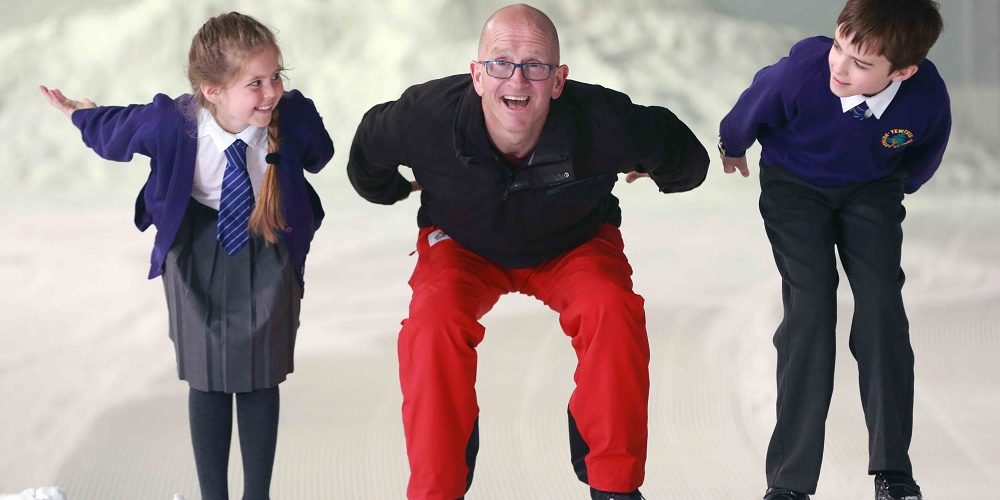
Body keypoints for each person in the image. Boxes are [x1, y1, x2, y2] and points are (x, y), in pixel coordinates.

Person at [348, 4, 708, 499]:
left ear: (558, 81)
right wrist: (392, 190)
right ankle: (438, 487)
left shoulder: (605, 122)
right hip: (464, 245)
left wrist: (664, 171)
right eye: (500, 63)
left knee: (612, 309)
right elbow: (367, 155)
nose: (517, 79)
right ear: (477, 75)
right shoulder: (424, 117)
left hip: (571, 244)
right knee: (432, 325)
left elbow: (687, 158)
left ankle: (614, 485)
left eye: (536, 65)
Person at [39, 12, 333, 500]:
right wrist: (79, 114)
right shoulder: (172, 122)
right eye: (255, 83)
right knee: (207, 372)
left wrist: (301, 133)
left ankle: (257, 495)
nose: (271, 91)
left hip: (268, 235)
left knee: (261, 375)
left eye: (276, 76)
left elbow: (319, 155)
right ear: (212, 90)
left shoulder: (291, 113)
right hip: (196, 242)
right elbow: (117, 129)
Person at [717, 1, 949, 499]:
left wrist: (890, 188)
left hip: (872, 189)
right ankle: (790, 482)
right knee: (813, 309)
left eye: (861, 63)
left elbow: (925, 154)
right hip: (794, 186)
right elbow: (754, 103)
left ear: (904, 71)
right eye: (840, 47)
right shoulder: (805, 70)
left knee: (883, 304)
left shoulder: (926, 96)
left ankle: (894, 472)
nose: (840, 67)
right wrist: (732, 144)